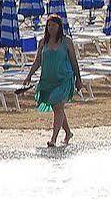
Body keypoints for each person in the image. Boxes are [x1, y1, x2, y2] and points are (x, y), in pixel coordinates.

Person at [23, 13, 83, 148]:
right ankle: (68, 132)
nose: (51, 28)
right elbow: (38, 61)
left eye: (54, 25)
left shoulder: (66, 41)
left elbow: (74, 61)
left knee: (57, 104)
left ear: (59, 27)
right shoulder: (42, 42)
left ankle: (53, 139)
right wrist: (29, 75)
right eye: (49, 25)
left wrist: (78, 79)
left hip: (64, 79)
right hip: (47, 80)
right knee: (58, 108)